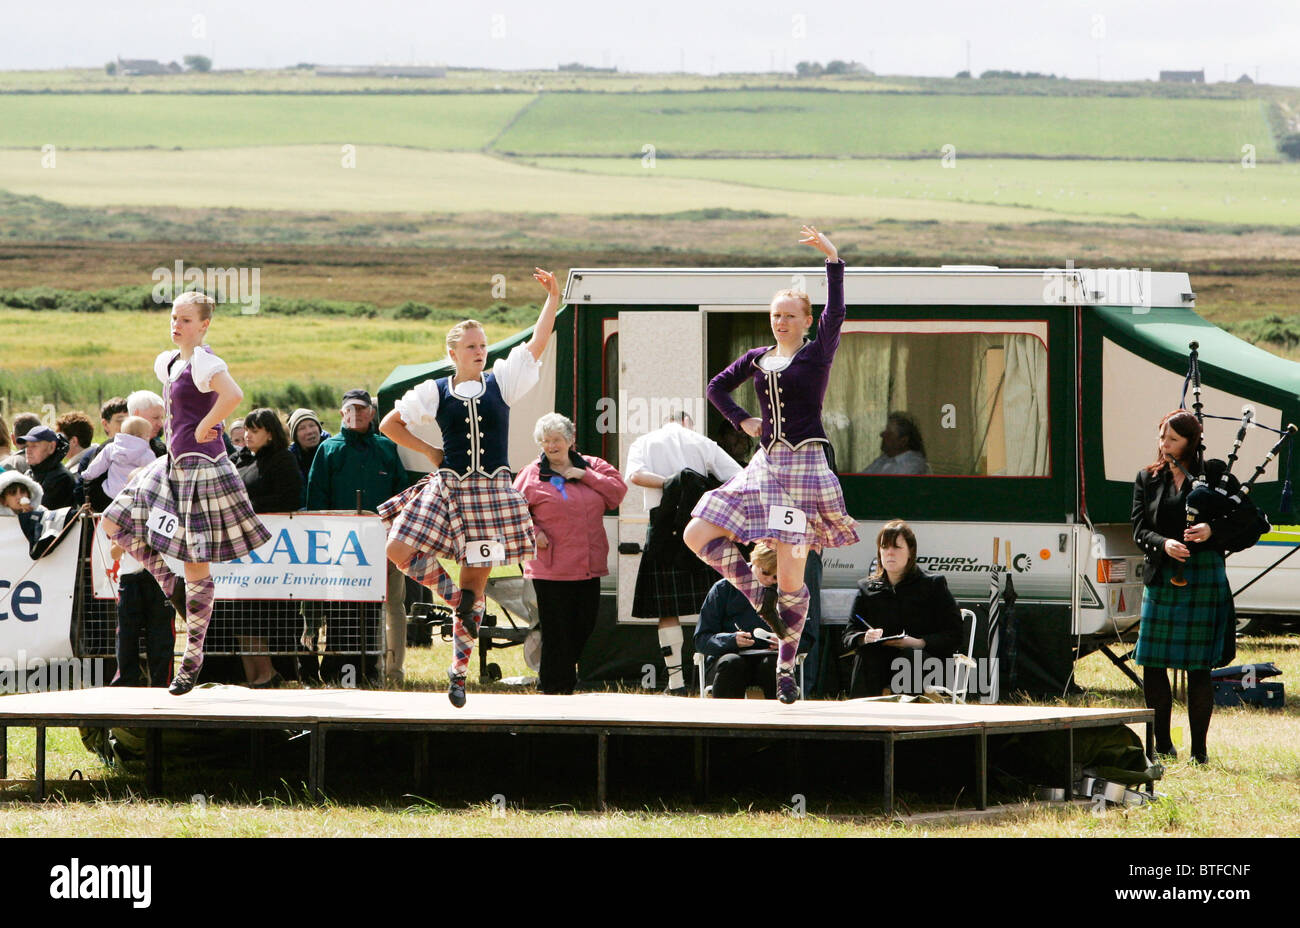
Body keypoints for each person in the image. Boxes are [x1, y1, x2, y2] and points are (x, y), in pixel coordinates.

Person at [684, 225, 860, 704]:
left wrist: (833, 259)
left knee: (791, 580)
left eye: (790, 315)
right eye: (775, 315)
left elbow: (838, 311)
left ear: (805, 321)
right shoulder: (758, 359)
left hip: (804, 469)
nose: (781, 322)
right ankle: (753, 595)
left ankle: (786, 671)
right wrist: (742, 420)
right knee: (697, 533)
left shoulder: (816, 353)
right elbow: (715, 388)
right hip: (765, 466)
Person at [379, 268, 560, 708]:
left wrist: (551, 300)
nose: (480, 351)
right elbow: (390, 424)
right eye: (472, 346)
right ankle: (456, 598)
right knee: (397, 549)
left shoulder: (502, 380)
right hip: (448, 489)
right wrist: (431, 452)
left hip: (492, 496)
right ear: (453, 352)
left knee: (476, 586)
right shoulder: (435, 390)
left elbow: (536, 346)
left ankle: (457, 674)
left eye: (482, 345)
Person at [100, 291, 272, 696]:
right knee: (112, 521)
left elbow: (233, 395)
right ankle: (166, 580)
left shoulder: (206, 362)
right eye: (174, 318)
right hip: (173, 465)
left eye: (187, 320)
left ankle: (191, 661)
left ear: (205, 324)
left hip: (202, 468)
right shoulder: (170, 361)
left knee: (197, 566)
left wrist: (205, 425)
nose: (177, 325)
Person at [1132, 409, 1263, 766]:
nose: (1164, 444)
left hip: (1203, 573)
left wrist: (1211, 532)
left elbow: (1251, 520)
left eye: (1172, 439)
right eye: (1162, 437)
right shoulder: (1148, 478)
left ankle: (1199, 752)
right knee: (1153, 665)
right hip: (1162, 576)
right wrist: (1163, 544)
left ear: (1191, 442)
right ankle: (1161, 745)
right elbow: (1139, 529)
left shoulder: (1214, 475)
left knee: (1198, 667)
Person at [626, 410, 742, 694]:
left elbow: (635, 476)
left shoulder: (645, 441)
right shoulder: (701, 442)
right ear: (687, 423)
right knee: (711, 599)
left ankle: (676, 682)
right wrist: (697, 487)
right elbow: (738, 477)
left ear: (665, 421)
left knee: (666, 609)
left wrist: (670, 483)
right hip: (701, 526)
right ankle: (711, 676)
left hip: (662, 528)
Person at [513, 413, 627, 694]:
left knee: (584, 625)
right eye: (546, 441)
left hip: (588, 564)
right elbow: (514, 512)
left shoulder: (593, 466)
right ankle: (555, 688)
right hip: (550, 567)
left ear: (570, 441)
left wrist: (585, 476)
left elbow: (617, 493)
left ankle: (559, 678)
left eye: (557, 440)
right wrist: (534, 532)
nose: (551, 446)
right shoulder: (531, 474)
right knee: (556, 631)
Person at [305, 389, 411, 686]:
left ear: (372, 413)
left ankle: (394, 671)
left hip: (385, 543)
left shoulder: (387, 448)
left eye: (362, 409)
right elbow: (316, 498)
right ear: (342, 414)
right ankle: (349, 668)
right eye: (350, 409)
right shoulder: (328, 450)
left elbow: (403, 494)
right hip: (341, 547)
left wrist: (398, 533)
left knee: (392, 604)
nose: (356, 414)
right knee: (343, 606)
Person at [841, 520, 962, 697]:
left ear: (910, 552)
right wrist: (864, 637)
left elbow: (955, 634)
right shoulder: (867, 588)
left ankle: (907, 717)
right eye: (884, 547)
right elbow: (848, 634)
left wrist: (920, 642)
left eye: (897, 547)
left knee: (911, 656)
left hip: (926, 661)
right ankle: (863, 716)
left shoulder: (932, 585)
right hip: (882, 659)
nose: (889, 553)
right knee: (866, 655)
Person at [229, 407, 303, 688]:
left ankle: (269, 674)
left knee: (259, 615)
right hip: (241, 553)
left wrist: (247, 509)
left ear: (270, 434)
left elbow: (288, 497)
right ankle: (254, 677)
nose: (247, 435)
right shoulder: (240, 460)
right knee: (240, 616)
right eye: (246, 429)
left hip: (272, 552)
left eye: (254, 430)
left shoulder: (283, 460)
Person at [694, 543, 781, 699]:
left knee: (772, 665)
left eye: (776, 577)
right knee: (732, 663)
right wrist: (730, 640)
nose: (770, 580)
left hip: (768, 658)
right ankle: (728, 722)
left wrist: (786, 642)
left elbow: (806, 635)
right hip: (729, 657)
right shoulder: (724, 588)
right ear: (755, 562)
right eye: (766, 573)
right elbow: (701, 639)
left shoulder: (786, 590)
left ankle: (779, 721)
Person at [79, 415, 156, 498]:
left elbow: (98, 464)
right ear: (140, 436)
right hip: (133, 493)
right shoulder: (146, 453)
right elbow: (153, 473)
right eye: (147, 435)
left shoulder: (112, 447)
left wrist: (87, 474)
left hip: (111, 491)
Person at [16, 425, 76, 510]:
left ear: (51, 447)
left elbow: (41, 514)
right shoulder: (29, 474)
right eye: (27, 446)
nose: (28, 450)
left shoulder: (61, 478)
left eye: (34, 446)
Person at [865, 412, 931, 475]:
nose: (882, 434)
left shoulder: (913, 465)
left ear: (903, 441)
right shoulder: (882, 460)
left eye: (889, 433)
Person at [287, 407, 329, 497]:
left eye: (312, 425)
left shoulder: (331, 451)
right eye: (302, 428)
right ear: (295, 436)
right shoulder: (290, 459)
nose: (309, 431)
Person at [126, 390, 168, 458]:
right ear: (137, 415)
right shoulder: (114, 450)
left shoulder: (162, 451)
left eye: (162, 418)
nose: (160, 424)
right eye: (155, 418)